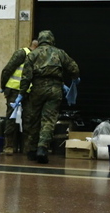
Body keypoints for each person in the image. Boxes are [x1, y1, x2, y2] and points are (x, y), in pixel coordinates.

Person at [15, 30, 78, 164]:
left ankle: (31, 150)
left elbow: (26, 77)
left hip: (37, 90)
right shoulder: (60, 53)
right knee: (48, 120)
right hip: (55, 89)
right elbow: (74, 68)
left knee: (33, 119)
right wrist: (75, 79)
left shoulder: (33, 54)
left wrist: (21, 93)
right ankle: (42, 149)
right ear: (51, 40)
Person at [0, 39, 38, 155]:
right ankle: (9, 146)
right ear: (36, 46)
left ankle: (26, 147)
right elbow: (7, 70)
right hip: (14, 90)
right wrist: (3, 86)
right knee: (11, 118)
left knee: (28, 119)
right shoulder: (22, 53)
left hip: (28, 92)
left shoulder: (38, 57)